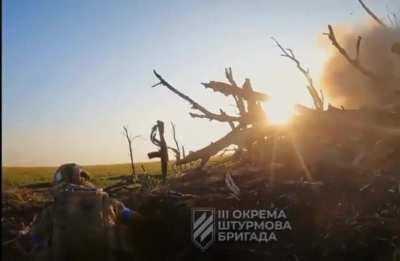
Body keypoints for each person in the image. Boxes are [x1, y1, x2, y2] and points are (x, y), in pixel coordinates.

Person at [31, 163, 142, 261]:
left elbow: (36, 235)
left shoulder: (53, 207)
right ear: (84, 179)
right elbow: (129, 214)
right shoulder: (106, 200)